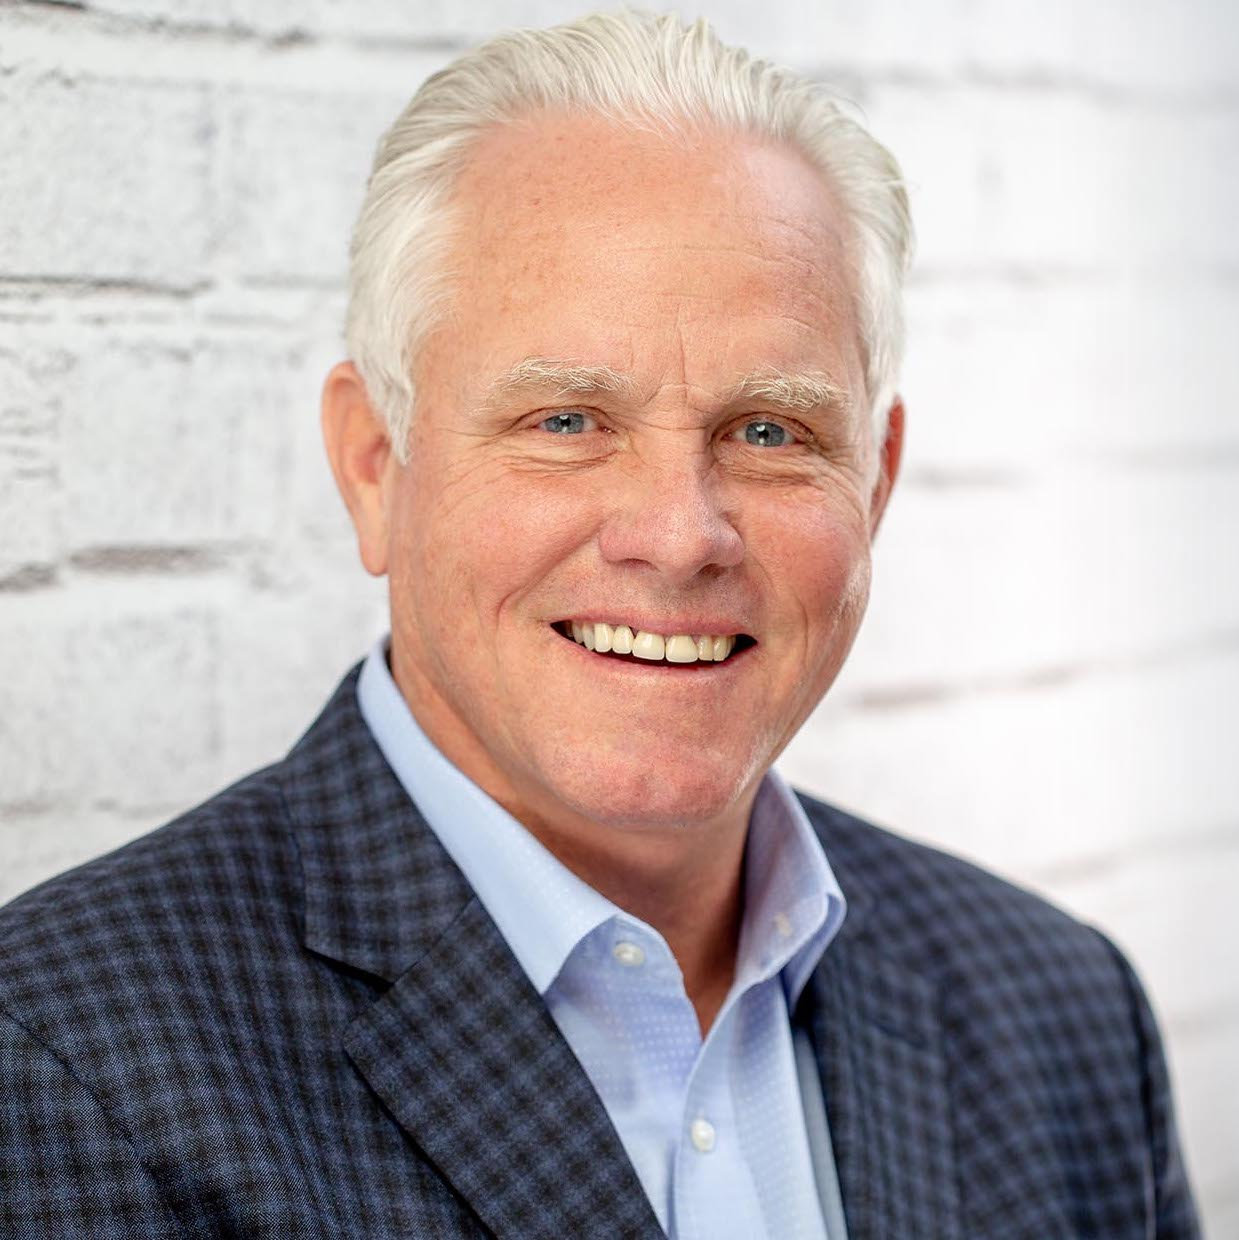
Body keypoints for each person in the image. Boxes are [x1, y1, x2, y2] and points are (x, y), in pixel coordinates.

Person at [0, 12, 1199, 1238]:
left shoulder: (1066, 1014)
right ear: (374, 466)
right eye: (566, 421)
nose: (679, 535)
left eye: (771, 431)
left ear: (875, 483)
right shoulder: (63, 1063)